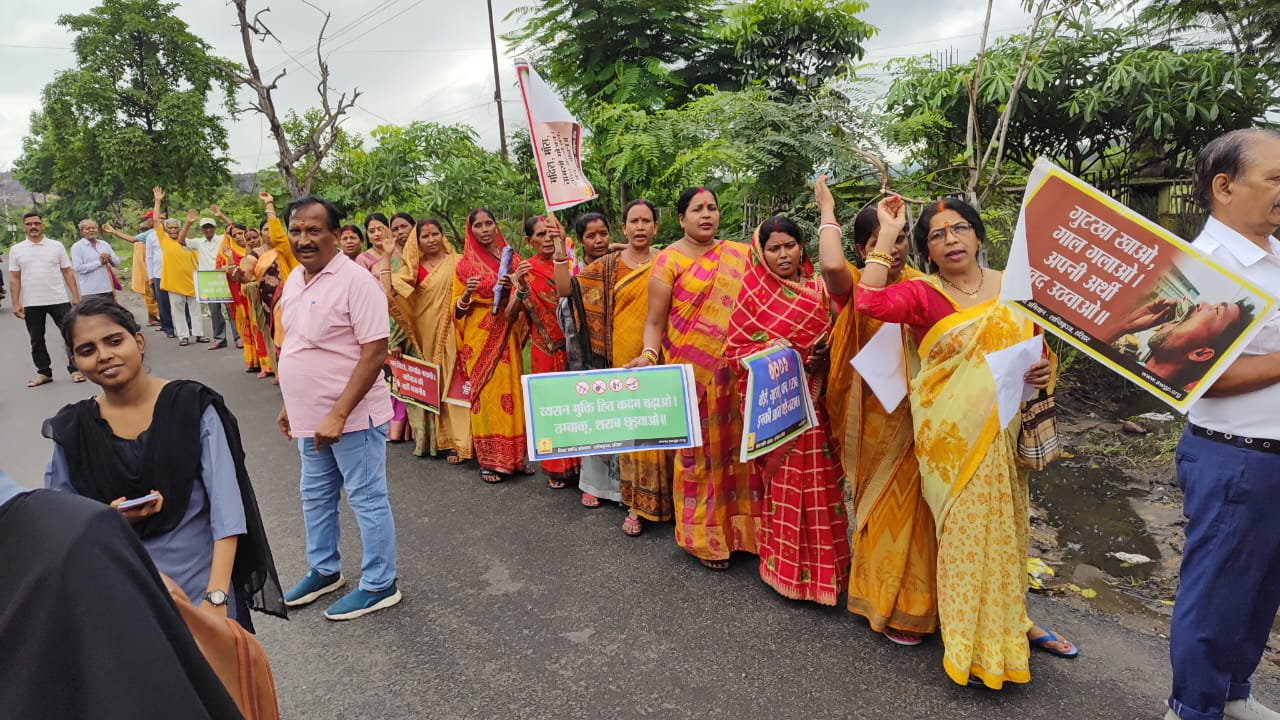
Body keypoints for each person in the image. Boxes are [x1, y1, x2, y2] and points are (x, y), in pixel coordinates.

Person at [855, 194, 1075, 689]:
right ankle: (970, 650)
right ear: (926, 251)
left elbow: (1036, 349)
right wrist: (887, 234)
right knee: (965, 543)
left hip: (1005, 429)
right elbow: (867, 301)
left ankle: (1010, 625)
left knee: (1008, 534)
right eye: (936, 235)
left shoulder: (1017, 287)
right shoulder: (923, 294)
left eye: (959, 229)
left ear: (978, 236)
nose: (950, 240)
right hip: (951, 440)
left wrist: (1044, 370)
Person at [43, 297, 286, 633]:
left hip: (203, 590)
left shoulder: (192, 407)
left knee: (221, 684)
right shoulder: (74, 429)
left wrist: (216, 600)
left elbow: (227, 512)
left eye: (114, 341)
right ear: (75, 361)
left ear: (138, 342)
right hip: (123, 602)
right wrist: (110, 517)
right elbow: (59, 518)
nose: (104, 356)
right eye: (87, 350)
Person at [1165, 128, 1280, 720]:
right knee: (1217, 593)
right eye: (1276, 179)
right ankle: (1191, 708)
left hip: (1272, 454)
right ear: (1224, 186)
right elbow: (1199, 372)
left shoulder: (1274, 256)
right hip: (1236, 456)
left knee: (1261, 590)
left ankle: (1233, 693)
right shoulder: (1203, 267)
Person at [0, 468, 247, 719]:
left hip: (176, 582)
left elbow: (225, 504)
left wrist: (216, 596)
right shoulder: (78, 526)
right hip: (117, 573)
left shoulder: (78, 532)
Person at [817, 182, 938, 646]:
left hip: (921, 415)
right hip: (868, 418)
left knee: (919, 509)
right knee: (883, 506)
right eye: (879, 243)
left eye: (901, 238)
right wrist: (827, 207)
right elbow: (828, 263)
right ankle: (881, 599)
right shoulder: (853, 285)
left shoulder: (926, 288)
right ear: (862, 250)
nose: (893, 250)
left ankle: (919, 603)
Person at [276, 195, 401, 621]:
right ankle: (325, 570)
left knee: (367, 497)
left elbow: (374, 351)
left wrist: (338, 413)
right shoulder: (295, 278)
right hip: (309, 418)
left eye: (314, 230)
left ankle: (381, 583)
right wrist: (289, 404)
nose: (304, 239)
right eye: (296, 230)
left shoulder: (356, 281)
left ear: (335, 233)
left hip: (352, 418)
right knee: (315, 496)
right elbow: (295, 342)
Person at [625, 187, 758, 570]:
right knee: (699, 459)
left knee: (739, 453)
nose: (706, 215)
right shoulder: (668, 261)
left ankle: (745, 533)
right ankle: (704, 538)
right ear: (681, 219)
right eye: (697, 209)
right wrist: (650, 355)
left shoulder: (739, 255)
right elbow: (655, 321)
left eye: (712, 208)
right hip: (692, 377)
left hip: (736, 375)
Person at [725, 216, 849, 604]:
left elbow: (843, 337)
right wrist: (787, 352)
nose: (783, 255)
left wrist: (823, 359)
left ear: (802, 248)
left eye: (790, 246)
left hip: (817, 405)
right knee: (785, 487)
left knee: (824, 485)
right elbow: (736, 352)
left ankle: (831, 573)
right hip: (780, 412)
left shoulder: (818, 290)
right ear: (760, 253)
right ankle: (784, 569)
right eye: (774, 248)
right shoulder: (752, 296)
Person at [381, 217, 472, 462]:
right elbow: (389, 292)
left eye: (435, 234)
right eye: (425, 236)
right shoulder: (412, 269)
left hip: (457, 332)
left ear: (443, 236)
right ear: (417, 241)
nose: (431, 240)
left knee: (457, 384)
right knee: (438, 385)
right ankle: (441, 441)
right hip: (426, 339)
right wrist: (386, 257)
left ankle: (461, 443)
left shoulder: (459, 261)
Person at [453, 208, 531, 484]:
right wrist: (467, 293)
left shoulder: (511, 258)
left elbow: (526, 290)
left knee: (511, 392)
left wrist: (516, 281)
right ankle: (489, 461)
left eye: (489, 223)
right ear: (470, 230)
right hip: (480, 335)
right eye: (479, 225)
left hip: (506, 331)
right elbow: (457, 313)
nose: (485, 229)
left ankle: (515, 458)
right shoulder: (464, 266)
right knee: (486, 395)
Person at [610, 200, 673, 536]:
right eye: (633, 221)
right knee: (633, 427)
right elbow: (568, 290)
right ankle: (635, 502)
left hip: (663, 351)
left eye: (646, 221)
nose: (639, 227)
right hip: (624, 352)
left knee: (664, 424)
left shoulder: (668, 262)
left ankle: (672, 500)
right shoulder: (608, 266)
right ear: (624, 227)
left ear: (656, 227)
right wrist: (562, 251)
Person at [554, 212, 622, 508]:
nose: (599, 240)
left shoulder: (623, 265)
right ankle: (593, 484)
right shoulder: (577, 271)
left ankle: (623, 487)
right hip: (585, 356)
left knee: (623, 417)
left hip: (620, 352)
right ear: (581, 240)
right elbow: (564, 302)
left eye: (603, 233)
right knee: (594, 417)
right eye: (591, 236)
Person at [511, 215, 582, 490]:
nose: (548, 240)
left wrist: (565, 245)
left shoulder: (571, 259)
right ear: (530, 241)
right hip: (545, 347)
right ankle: (557, 466)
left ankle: (582, 464)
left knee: (578, 404)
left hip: (576, 345)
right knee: (552, 407)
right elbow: (510, 318)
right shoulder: (526, 271)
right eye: (540, 235)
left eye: (551, 234)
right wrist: (518, 289)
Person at [1105, 296, 1255, 391]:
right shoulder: (1118, 369)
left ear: (1200, 354)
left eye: (1216, 310)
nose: (1200, 303)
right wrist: (1124, 326)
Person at [9, 210, 83, 387]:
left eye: (36, 223)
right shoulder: (17, 250)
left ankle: (76, 369)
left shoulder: (56, 246)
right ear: (23, 227)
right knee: (36, 339)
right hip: (33, 302)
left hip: (58, 299)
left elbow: (67, 271)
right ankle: (44, 372)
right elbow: (14, 277)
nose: (33, 226)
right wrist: (16, 303)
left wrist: (75, 296)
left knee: (69, 335)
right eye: (29, 224)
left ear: (42, 225)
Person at [186, 215, 240, 350]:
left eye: (210, 227)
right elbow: (181, 240)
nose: (208, 230)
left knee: (231, 310)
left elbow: (233, 228)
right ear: (201, 230)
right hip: (208, 280)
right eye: (205, 228)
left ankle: (238, 338)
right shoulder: (198, 242)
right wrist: (188, 223)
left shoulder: (222, 239)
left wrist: (221, 215)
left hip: (223, 278)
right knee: (215, 312)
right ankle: (219, 339)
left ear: (215, 228)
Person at [101, 219, 160, 325]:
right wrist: (114, 232)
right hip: (149, 272)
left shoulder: (164, 233)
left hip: (161, 270)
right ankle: (154, 318)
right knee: (152, 295)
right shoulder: (146, 238)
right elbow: (141, 256)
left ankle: (158, 317)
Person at [70, 218, 121, 301]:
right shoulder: (77, 247)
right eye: (87, 228)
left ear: (97, 230)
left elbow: (117, 263)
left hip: (107, 289)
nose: (91, 230)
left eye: (93, 228)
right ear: (81, 232)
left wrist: (109, 257)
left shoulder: (104, 244)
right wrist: (99, 262)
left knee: (109, 313)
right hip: (90, 291)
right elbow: (78, 268)